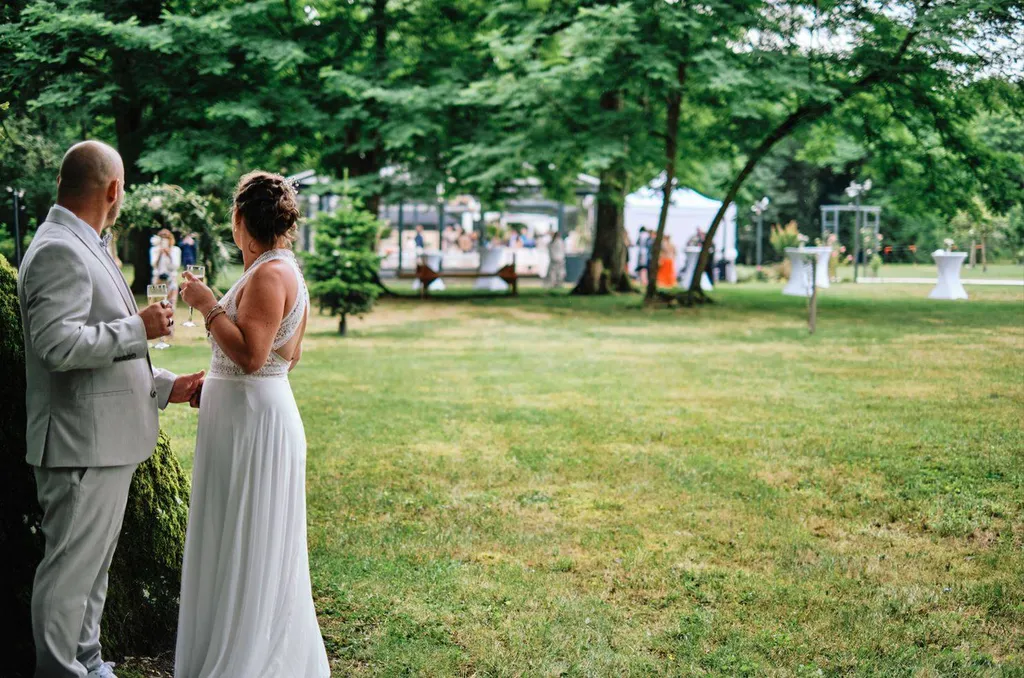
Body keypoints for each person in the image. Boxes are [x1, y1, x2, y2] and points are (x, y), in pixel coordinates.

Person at [17, 140, 204, 678]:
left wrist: (165, 385)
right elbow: (57, 347)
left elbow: (100, 352)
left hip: (101, 438)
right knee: (69, 573)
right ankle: (59, 670)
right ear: (113, 190)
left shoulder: (86, 242)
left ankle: (88, 662)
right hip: (79, 443)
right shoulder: (59, 249)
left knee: (92, 569)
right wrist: (137, 328)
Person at [176, 171, 330, 678]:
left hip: (253, 424)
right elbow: (291, 355)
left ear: (241, 219)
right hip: (248, 414)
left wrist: (207, 305)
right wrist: (215, 378)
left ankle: (247, 660)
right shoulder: (278, 268)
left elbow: (250, 354)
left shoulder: (269, 275)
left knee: (248, 539)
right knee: (239, 536)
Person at [150, 228, 182, 304]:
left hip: (171, 278)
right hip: (158, 278)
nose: (164, 239)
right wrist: (159, 254)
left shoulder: (176, 250)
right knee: (157, 304)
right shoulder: (154, 249)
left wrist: (169, 255)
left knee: (171, 303)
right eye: (162, 237)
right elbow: (153, 265)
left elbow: (176, 266)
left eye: (166, 237)